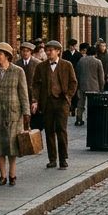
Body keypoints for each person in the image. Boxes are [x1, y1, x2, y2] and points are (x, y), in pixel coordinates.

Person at [0, 43, 30, 186]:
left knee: (12, 145)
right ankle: (2, 175)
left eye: (0, 54)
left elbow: (23, 93)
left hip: (13, 115)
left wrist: (26, 112)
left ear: (7, 56)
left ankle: (12, 174)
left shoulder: (18, 71)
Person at [31, 40, 77, 169]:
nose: (48, 52)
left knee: (61, 131)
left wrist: (68, 96)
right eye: (47, 50)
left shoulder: (67, 65)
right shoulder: (41, 66)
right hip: (47, 102)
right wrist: (35, 100)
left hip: (62, 102)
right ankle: (52, 159)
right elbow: (35, 84)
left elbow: (73, 82)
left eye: (51, 50)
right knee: (49, 131)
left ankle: (63, 159)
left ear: (58, 51)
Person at [74, 43, 104, 127]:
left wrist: (78, 85)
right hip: (94, 86)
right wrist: (101, 88)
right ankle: (92, 119)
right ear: (95, 53)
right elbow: (101, 77)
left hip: (82, 85)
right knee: (93, 104)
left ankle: (79, 119)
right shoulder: (98, 62)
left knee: (80, 103)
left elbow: (77, 73)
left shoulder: (81, 60)